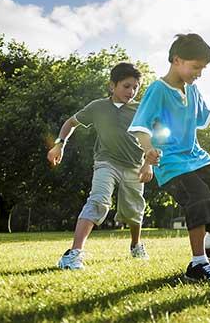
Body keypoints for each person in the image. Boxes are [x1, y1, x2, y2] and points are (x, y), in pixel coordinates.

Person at [128, 33, 210, 282]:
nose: (199, 73)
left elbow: (202, 118)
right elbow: (140, 126)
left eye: (203, 68)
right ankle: (197, 264)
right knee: (200, 199)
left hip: (197, 157)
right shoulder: (158, 90)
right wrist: (148, 149)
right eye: (196, 67)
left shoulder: (193, 90)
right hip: (172, 162)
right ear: (177, 60)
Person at [47, 62, 153, 270]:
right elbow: (70, 123)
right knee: (98, 201)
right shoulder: (97, 107)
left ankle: (135, 245)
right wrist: (60, 145)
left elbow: (150, 140)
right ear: (112, 86)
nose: (131, 92)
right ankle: (73, 254)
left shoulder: (140, 110)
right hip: (106, 163)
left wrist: (148, 164)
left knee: (133, 211)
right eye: (126, 86)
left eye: (135, 87)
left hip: (134, 166)